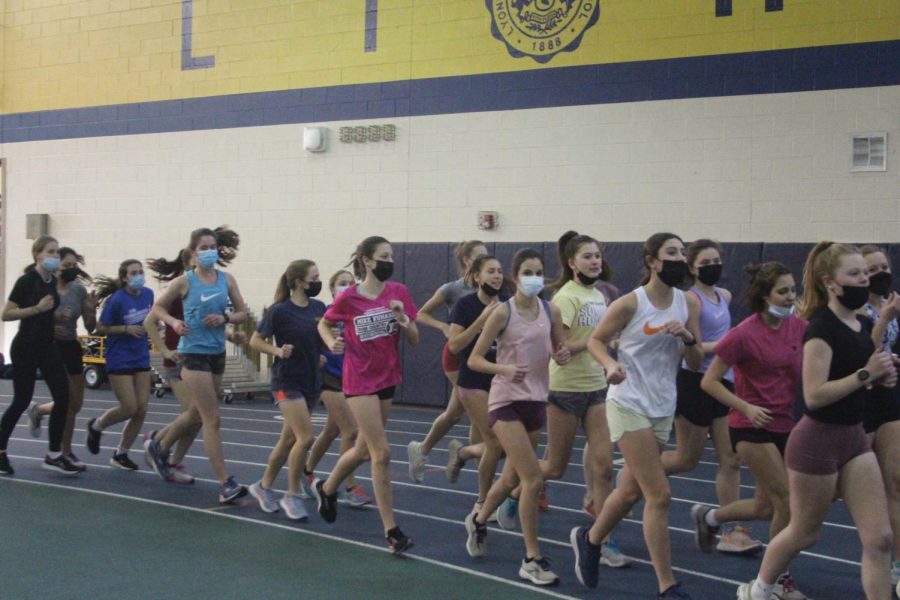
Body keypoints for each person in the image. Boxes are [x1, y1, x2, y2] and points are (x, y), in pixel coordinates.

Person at [738, 242, 896, 600]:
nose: (863, 279)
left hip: (854, 439)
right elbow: (814, 395)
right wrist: (863, 375)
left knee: (880, 538)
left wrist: (882, 374)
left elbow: (864, 373)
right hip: (817, 443)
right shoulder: (821, 329)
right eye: (854, 274)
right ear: (831, 283)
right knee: (805, 531)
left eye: (865, 273)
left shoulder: (863, 323)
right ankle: (760, 589)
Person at [571, 232, 703, 599]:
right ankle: (667, 586)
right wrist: (610, 365)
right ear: (653, 262)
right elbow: (596, 340)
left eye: (683, 252)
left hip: (662, 404)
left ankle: (591, 538)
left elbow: (695, 361)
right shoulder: (631, 303)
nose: (680, 259)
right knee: (658, 495)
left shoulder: (688, 303)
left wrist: (688, 339)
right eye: (672, 253)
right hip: (627, 401)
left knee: (629, 491)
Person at [696, 262, 809, 599]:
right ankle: (775, 581)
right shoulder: (744, 333)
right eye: (783, 291)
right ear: (764, 296)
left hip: (785, 424)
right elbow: (709, 381)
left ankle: (710, 516)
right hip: (749, 426)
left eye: (793, 290)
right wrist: (745, 406)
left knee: (765, 508)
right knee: (787, 502)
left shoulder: (799, 328)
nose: (791, 297)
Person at [463, 248, 571, 587]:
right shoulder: (502, 313)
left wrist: (563, 353)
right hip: (505, 401)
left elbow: (558, 348)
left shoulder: (550, 310)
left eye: (539, 272)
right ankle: (531, 558)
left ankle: (479, 520)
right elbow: (474, 360)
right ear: (515, 276)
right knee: (532, 479)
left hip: (536, 400)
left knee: (510, 480)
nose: (534, 277)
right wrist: (504, 368)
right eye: (528, 272)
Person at [312, 236, 419, 554]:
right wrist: (331, 342)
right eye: (384, 256)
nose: (390, 260)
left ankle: (327, 487)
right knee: (381, 453)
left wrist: (402, 317)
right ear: (368, 261)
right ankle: (392, 529)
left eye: (392, 255)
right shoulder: (348, 298)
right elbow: (324, 324)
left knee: (361, 449)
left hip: (387, 377)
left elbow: (413, 338)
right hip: (358, 381)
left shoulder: (398, 292)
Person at [144, 227, 250, 504]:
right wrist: (174, 323)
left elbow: (242, 313)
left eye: (213, 246)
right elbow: (158, 309)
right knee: (212, 418)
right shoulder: (184, 281)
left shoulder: (227, 280)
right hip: (192, 353)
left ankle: (159, 445)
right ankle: (225, 483)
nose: (209, 251)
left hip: (217, 352)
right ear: (193, 252)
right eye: (203, 247)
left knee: (195, 412)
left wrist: (226, 318)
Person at [659, 239, 752, 554]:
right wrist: (731, 343)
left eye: (717, 261)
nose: (713, 266)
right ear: (692, 268)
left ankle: (731, 530)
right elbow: (695, 350)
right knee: (687, 459)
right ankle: (637, 471)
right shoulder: (691, 300)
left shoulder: (723, 296)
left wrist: (730, 345)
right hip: (695, 381)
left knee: (732, 459)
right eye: (705, 262)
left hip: (723, 381)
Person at [248, 260, 325, 521]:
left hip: (311, 379)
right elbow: (255, 340)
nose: (318, 281)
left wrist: (325, 352)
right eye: (314, 277)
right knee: (306, 438)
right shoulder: (279, 311)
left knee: (289, 440)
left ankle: (263, 485)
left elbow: (320, 339)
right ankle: (292, 494)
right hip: (287, 381)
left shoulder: (318, 308)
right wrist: (277, 351)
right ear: (299, 282)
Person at [408, 240, 487, 483]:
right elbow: (419, 313)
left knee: (455, 413)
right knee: (477, 412)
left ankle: (423, 449)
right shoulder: (453, 289)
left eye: (488, 255)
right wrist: (443, 325)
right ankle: (480, 470)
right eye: (479, 256)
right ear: (466, 260)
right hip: (458, 356)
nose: (485, 260)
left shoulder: (492, 286)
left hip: (482, 354)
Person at [0, 236, 79, 475]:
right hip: (25, 347)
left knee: (64, 397)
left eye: (57, 253)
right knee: (21, 400)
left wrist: (56, 317)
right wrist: (37, 309)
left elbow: (45, 313)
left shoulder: (50, 282)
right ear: (37, 254)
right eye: (51, 252)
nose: (55, 257)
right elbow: (7, 314)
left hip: (47, 346)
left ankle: (54, 454)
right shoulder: (27, 281)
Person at [300, 269, 371, 507]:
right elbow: (311, 340)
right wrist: (320, 354)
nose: (347, 287)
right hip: (328, 376)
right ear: (332, 289)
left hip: (351, 376)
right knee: (350, 430)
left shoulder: (358, 312)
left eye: (351, 283)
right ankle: (350, 485)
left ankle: (307, 471)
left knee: (332, 430)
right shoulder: (326, 313)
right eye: (342, 283)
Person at [28, 247, 97, 471]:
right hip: (51, 348)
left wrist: (91, 311)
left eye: (74, 266)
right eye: (67, 265)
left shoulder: (78, 291)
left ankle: (40, 410)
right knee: (67, 402)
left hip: (71, 345)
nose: (71, 270)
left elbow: (90, 327)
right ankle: (63, 451)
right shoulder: (44, 288)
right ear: (56, 265)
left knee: (76, 404)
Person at [446, 254, 505, 511]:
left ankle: (464, 452)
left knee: (504, 448)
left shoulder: (506, 306)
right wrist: (482, 320)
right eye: (490, 271)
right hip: (472, 381)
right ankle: (483, 502)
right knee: (495, 443)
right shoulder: (465, 305)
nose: (496, 275)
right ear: (477, 276)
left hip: (500, 380)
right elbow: (455, 344)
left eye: (500, 271)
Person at [85, 260, 154, 470]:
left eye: (141, 272)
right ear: (124, 278)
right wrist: (125, 329)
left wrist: (154, 325)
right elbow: (100, 328)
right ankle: (97, 426)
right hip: (120, 357)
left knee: (141, 409)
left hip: (141, 355)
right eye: (134, 273)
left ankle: (121, 453)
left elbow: (150, 318)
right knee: (129, 407)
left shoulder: (149, 294)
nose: (139, 276)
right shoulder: (117, 300)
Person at [859, 245, 900, 591]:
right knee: (829, 495)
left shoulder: (894, 303)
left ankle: (897, 566)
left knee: (895, 482)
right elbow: (864, 352)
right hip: (859, 400)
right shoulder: (858, 309)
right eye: (871, 270)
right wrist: (884, 318)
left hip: (887, 399)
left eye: (883, 267)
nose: (880, 274)